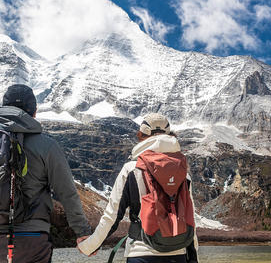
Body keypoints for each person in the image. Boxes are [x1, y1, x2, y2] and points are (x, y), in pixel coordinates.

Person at [77, 113, 198, 263]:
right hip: (178, 254)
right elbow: (189, 217)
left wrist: (89, 246)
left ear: (141, 135)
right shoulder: (183, 172)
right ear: (169, 135)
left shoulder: (131, 169)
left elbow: (112, 216)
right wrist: (193, 257)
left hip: (141, 253)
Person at [0, 84, 91, 263]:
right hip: (33, 239)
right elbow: (67, 192)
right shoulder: (47, 146)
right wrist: (82, 232)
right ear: (34, 112)